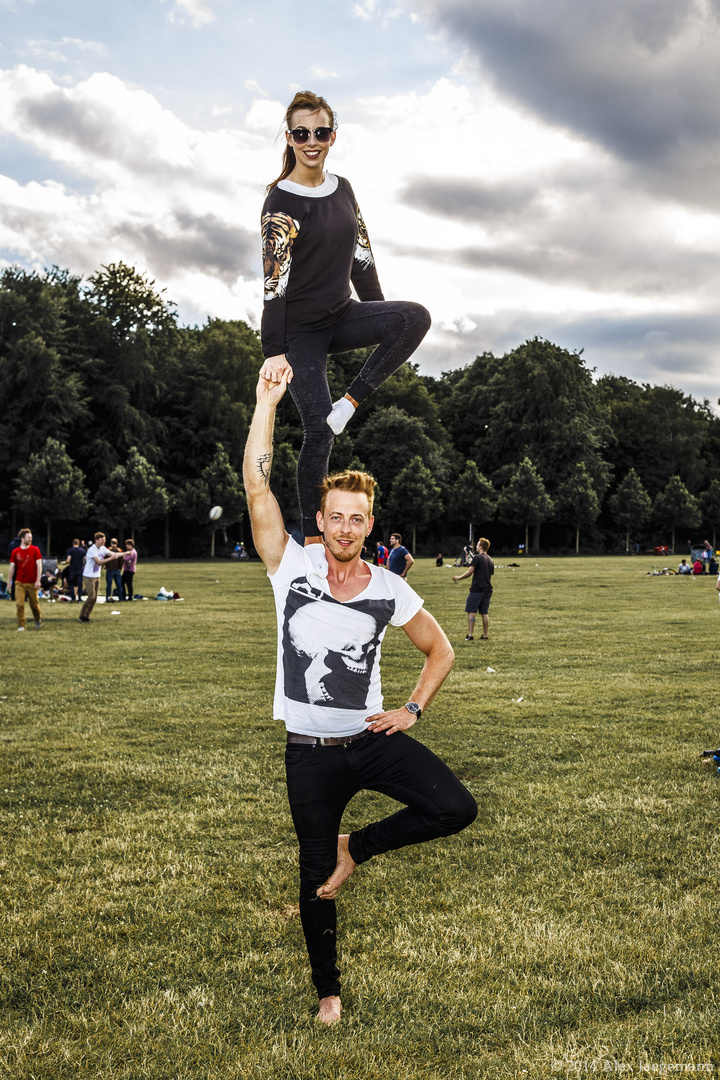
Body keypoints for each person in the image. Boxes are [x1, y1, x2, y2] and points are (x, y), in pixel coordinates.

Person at [243, 369, 477, 1026]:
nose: (345, 527)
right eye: (335, 517)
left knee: (455, 807)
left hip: (371, 741)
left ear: (370, 523)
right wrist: (266, 403)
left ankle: (359, 847)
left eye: (357, 518)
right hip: (310, 754)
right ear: (319, 520)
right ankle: (329, 993)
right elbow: (256, 485)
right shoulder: (291, 568)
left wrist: (413, 710)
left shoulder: (390, 588)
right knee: (315, 875)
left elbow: (442, 650)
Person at [260, 90, 431, 571]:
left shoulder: (343, 188)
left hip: (342, 314)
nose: (311, 142)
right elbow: (273, 284)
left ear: (333, 136)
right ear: (290, 138)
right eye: (300, 133)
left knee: (413, 316)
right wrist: (274, 350)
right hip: (300, 335)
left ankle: (348, 405)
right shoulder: (280, 201)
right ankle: (313, 542)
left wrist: (378, 314)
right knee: (318, 430)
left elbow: (362, 255)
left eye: (320, 132)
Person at [453, 537, 494, 641]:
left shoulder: (477, 558)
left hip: (477, 590)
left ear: (480, 547)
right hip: (487, 589)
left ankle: (470, 635)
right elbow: (486, 575)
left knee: (471, 611)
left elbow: (470, 572)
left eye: (477, 545)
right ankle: (485, 635)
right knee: (484, 612)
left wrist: (458, 578)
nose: (476, 546)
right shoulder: (490, 559)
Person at [78, 532, 120, 623]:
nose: (104, 541)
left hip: (97, 576)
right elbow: (99, 562)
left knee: (95, 598)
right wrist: (111, 558)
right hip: (89, 576)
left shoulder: (102, 548)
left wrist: (127, 553)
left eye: (104, 540)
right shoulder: (92, 550)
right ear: (96, 540)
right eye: (102, 540)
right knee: (91, 597)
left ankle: (87, 616)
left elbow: (114, 554)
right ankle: (82, 615)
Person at [8, 528, 43, 630]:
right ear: (22, 538)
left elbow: (39, 566)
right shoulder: (15, 552)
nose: (30, 539)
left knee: (34, 605)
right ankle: (21, 625)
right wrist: (9, 582)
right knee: (19, 604)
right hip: (19, 582)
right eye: (29, 537)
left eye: (31, 537)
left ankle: (37, 619)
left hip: (32, 582)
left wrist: (38, 580)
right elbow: (12, 567)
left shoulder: (35, 550)